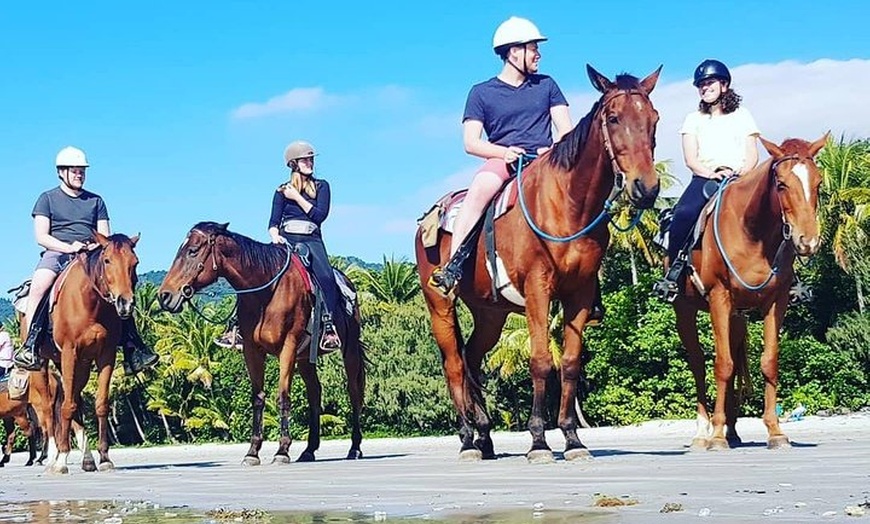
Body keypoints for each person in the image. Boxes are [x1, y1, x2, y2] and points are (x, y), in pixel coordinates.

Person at [427, 16, 606, 324]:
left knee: (584, 203)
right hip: (503, 159)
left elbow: (564, 129)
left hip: (547, 161)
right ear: (513, 52)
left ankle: (592, 289)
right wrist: (504, 152)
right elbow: (471, 143)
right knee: (481, 188)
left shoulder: (547, 85)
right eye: (533, 48)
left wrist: (555, 150)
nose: (538, 54)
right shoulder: (481, 93)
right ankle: (454, 266)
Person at [13, 146, 159, 374]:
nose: (79, 174)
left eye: (82, 170)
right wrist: (68, 246)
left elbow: (106, 237)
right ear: (61, 172)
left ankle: (133, 347)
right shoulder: (47, 199)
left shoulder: (96, 201)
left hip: (92, 255)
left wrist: (93, 248)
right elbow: (41, 237)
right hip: (58, 252)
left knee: (122, 285)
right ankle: (31, 344)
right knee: (40, 284)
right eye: (74, 170)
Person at [214, 140, 343, 351]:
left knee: (326, 275)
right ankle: (235, 327)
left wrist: (297, 197)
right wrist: (274, 234)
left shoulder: (322, 186)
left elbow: (320, 216)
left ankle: (329, 328)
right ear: (293, 164)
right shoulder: (281, 191)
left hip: (311, 240)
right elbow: (273, 222)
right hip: (285, 240)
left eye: (311, 159)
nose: (310, 162)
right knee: (252, 274)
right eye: (305, 159)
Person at [654, 59, 760, 297]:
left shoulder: (743, 116)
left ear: (724, 85)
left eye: (709, 83)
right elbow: (691, 159)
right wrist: (712, 173)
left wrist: (740, 173)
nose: (704, 87)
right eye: (701, 84)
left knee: (773, 211)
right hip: (706, 178)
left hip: (741, 178)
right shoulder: (693, 119)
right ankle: (674, 273)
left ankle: (790, 278)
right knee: (683, 214)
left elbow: (752, 154)